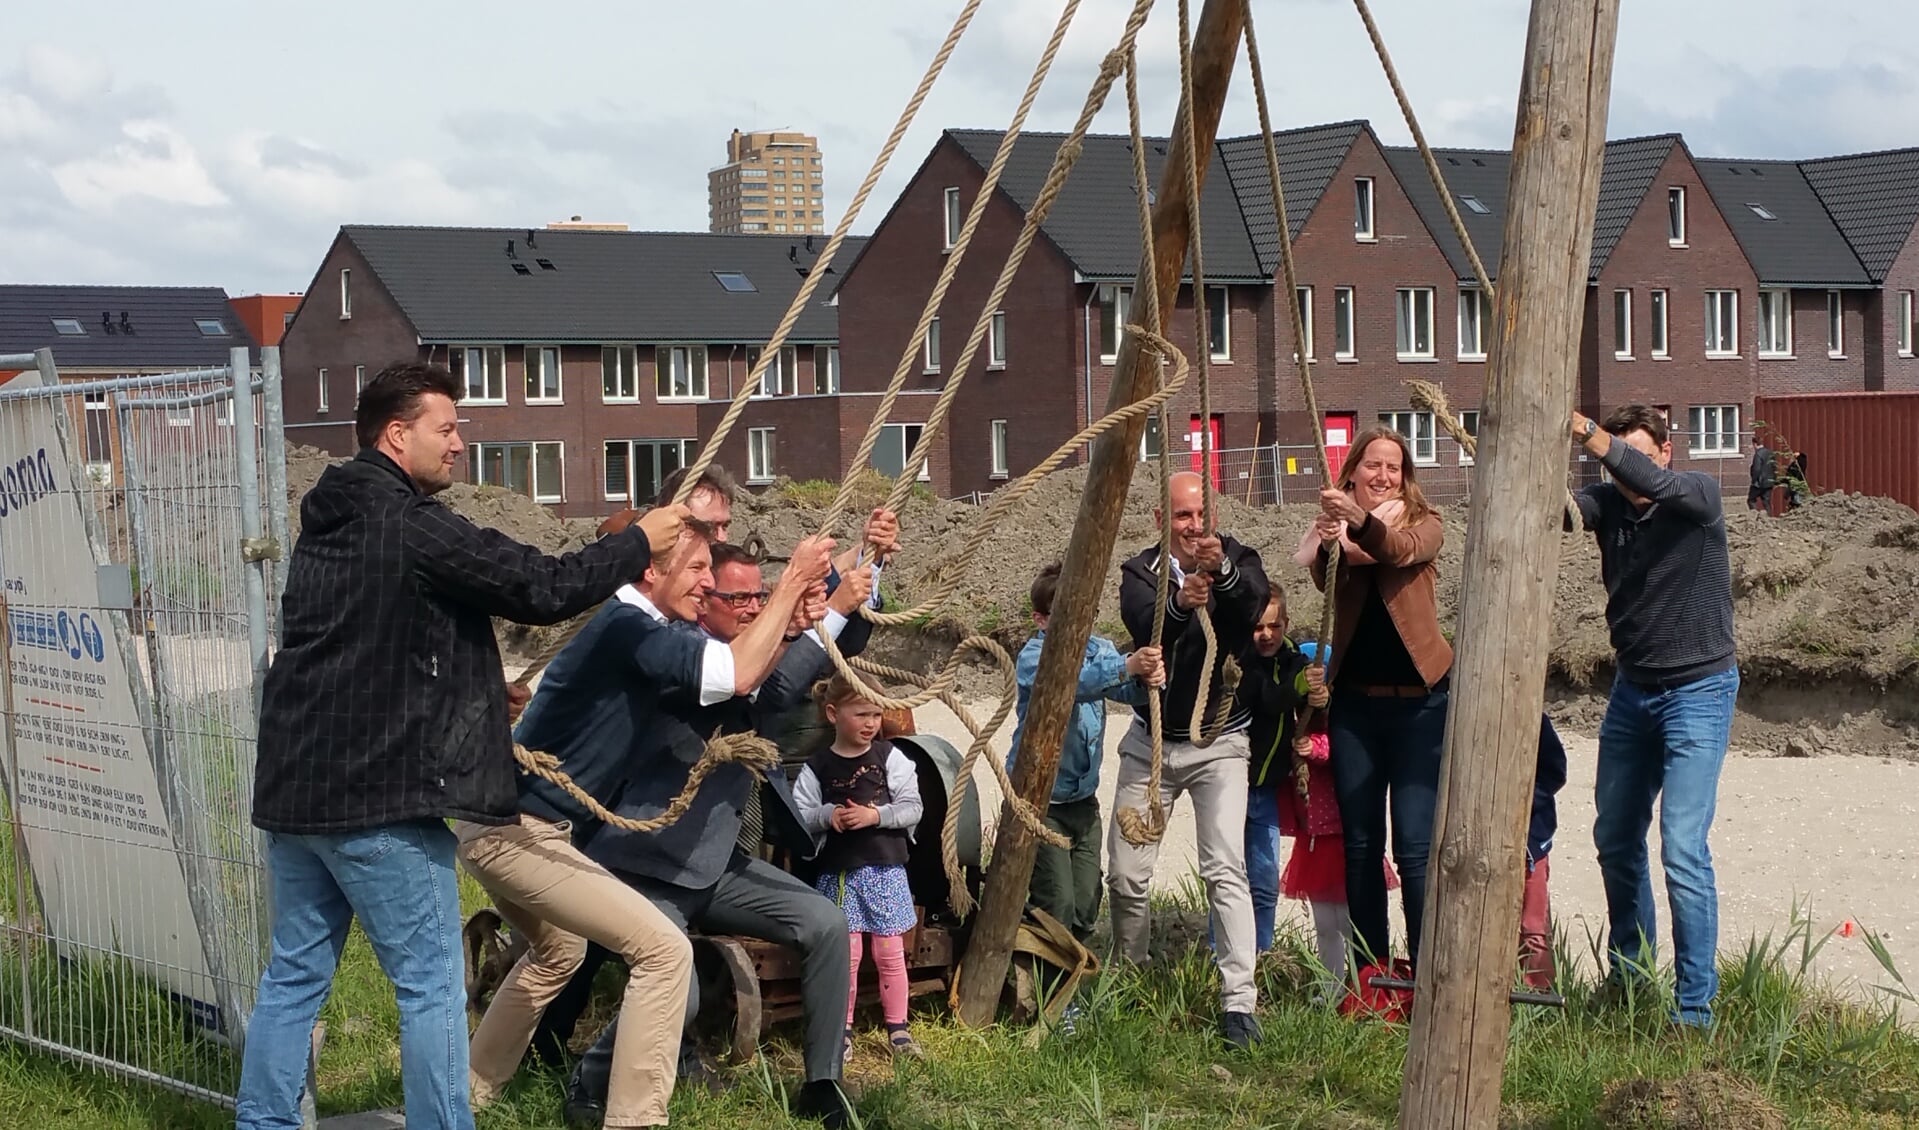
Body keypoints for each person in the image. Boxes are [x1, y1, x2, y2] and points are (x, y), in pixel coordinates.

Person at [239, 362, 677, 1130]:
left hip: (297, 796)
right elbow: (539, 587)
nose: (459, 445)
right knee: (432, 988)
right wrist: (639, 542)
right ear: (397, 434)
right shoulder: (410, 522)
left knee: (294, 979)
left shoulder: (329, 523)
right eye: (446, 429)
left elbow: (363, 653)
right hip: (381, 802)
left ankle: (263, 1123)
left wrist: (478, 693)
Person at [565, 526, 875, 1129]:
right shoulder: (680, 652)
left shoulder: (742, 643)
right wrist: (825, 611)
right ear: (703, 601)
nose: (753, 608)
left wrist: (855, 572)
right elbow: (762, 692)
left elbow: (797, 658)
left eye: (760, 597)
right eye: (739, 599)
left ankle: (822, 1082)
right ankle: (593, 1077)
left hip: (710, 863)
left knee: (824, 922)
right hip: (647, 863)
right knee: (677, 984)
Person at [1569, 405, 1738, 1028]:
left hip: (1699, 690)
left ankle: (1695, 1008)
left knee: (1683, 850)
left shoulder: (1697, 494)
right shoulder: (1608, 502)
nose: (1629, 474)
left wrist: (1592, 435)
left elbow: (1649, 479)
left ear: (1666, 452)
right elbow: (1563, 513)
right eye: (1620, 463)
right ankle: (1631, 975)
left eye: (1640, 456)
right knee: (1615, 836)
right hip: (1633, 690)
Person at [1110, 470, 1270, 1049]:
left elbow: (1252, 605)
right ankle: (1129, 975)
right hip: (1152, 740)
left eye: (1201, 515)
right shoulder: (1138, 572)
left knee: (1225, 868)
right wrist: (1179, 601)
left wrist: (1220, 575)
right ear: (1162, 520)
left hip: (1218, 742)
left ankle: (1238, 1004)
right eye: (1181, 516)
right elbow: (1141, 620)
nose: (1193, 526)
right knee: (1126, 874)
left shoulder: (1240, 558)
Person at [1295, 426, 1451, 981]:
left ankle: (1427, 973)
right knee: (1361, 846)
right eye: (1373, 466)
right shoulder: (1334, 538)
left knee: (1413, 847)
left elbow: (1398, 551)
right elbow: (1321, 574)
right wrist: (1334, 534)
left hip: (1419, 707)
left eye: (1394, 467)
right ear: (1352, 474)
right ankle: (1371, 974)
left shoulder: (1424, 525)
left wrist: (1357, 523)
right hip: (1357, 707)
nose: (1384, 476)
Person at [1009, 564, 1162, 945]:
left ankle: (1073, 986)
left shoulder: (1101, 650)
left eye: (1087, 614)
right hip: (1040, 802)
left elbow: (1126, 691)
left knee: (1086, 901)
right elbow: (1070, 682)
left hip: (1081, 801)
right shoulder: (1032, 657)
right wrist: (1127, 666)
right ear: (1041, 620)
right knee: (1056, 901)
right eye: (1068, 615)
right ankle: (1043, 984)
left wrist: (1149, 678)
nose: (1081, 624)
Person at [795, 674, 926, 1059]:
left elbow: (912, 806)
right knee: (845, 957)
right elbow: (800, 814)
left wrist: (875, 816)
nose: (871, 723)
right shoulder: (817, 767)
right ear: (833, 713)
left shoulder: (891, 759)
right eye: (861, 713)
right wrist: (826, 816)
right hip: (840, 875)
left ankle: (898, 1028)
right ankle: (843, 1029)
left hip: (885, 871)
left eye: (876, 713)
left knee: (890, 954)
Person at [1234, 587, 1315, 955]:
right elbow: (1270, 698)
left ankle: (1262, 953)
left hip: (1266, 789)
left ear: (1286, 625)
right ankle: (1223, 951)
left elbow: (1305, 686)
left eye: (1274, 626)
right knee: (1230, 878)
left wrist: (1317, 690)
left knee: (1265, 881)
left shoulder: (1296, 661)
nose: (1266, 635)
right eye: (1258, 627)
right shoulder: (1240, 664)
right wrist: (1300, 687)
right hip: (1232, 784)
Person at [1521, 716, 1569, 991]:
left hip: (1531, 846)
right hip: (1478, 845)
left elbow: (1555, 772)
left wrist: (1522, 798)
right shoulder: (1458, 713)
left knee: (1532, 927)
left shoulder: (1534, 721)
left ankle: (1540, 997)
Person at [1747, 438, 1776, 512]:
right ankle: (1769, 519)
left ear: (1755, 444)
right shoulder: (1770, 453)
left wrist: (1754, 480)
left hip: (1759, 483)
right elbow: (1774, 467)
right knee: (1766, 501)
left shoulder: (1758, 454)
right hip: (1769, 482)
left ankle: (1755, 517)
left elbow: (1757, 469)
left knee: (1751, 500)